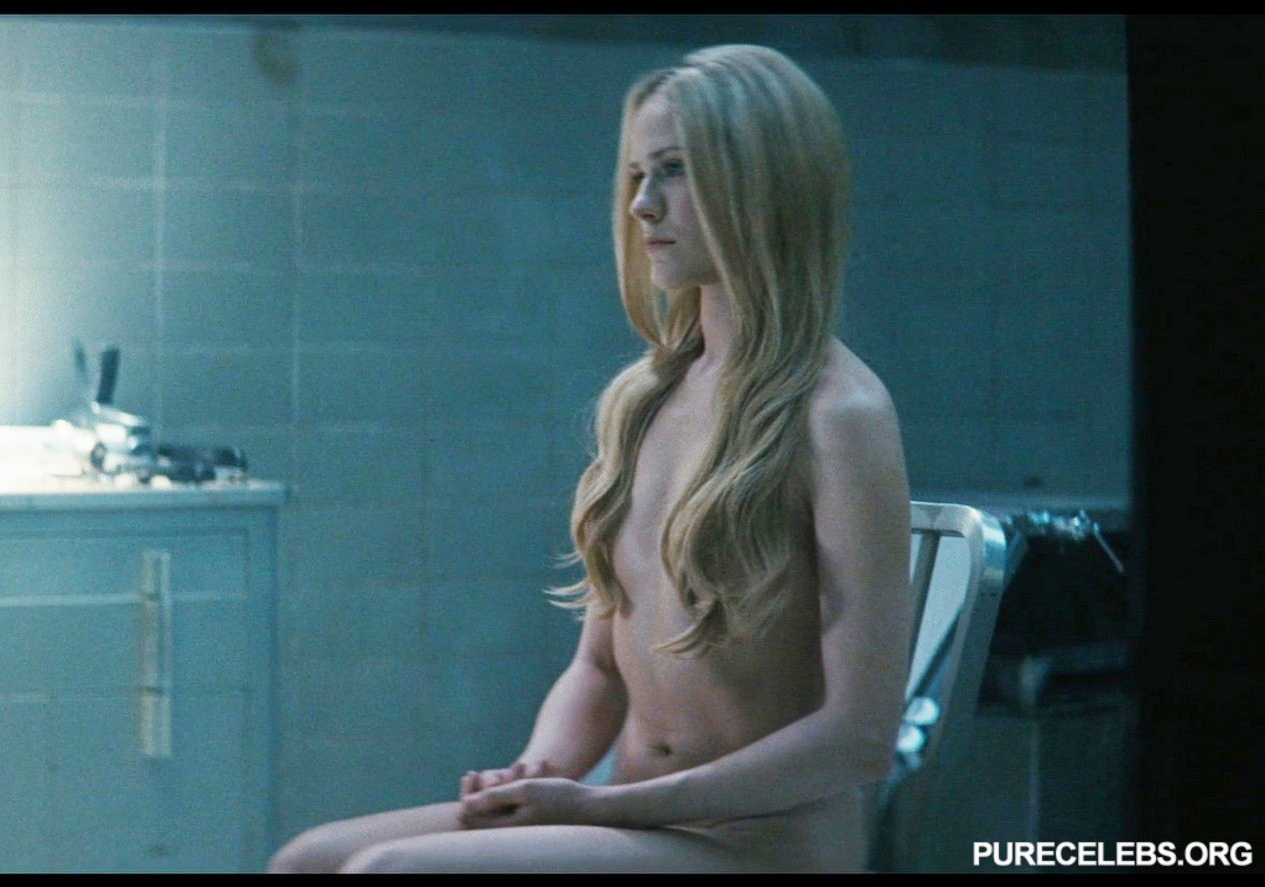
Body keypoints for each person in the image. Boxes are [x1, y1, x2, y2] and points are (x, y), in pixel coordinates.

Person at [268, 43, 913, 873]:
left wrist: (606, 804)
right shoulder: (644, 400)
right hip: (627, 819)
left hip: (761, 846)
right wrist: (535, 771)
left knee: (387, 872)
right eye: (638, 175)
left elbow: (860, 738)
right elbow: (599, 667)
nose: (643, 204)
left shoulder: (840, 416)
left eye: (673, 171)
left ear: (762, 184)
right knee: (306, 861)